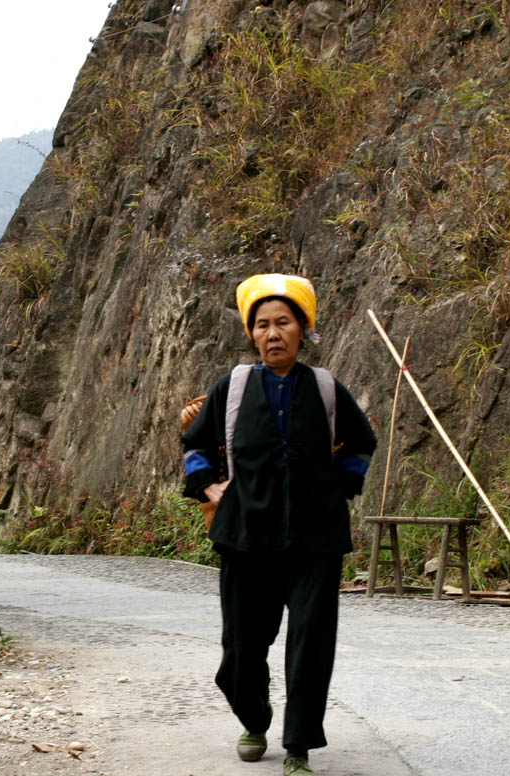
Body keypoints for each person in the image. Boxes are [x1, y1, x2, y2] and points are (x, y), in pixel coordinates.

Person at [182, 274, 376, 776]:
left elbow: (361, 444)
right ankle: (253, 719)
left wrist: (341, 487)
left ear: (302, 330)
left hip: (316, 536)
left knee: (311, 641)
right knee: (242, 646)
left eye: (283, 323)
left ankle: (298, 746)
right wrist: (208, 487)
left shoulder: (327, 387)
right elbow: (196, 445)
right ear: (252, 334)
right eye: (263, 325)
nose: (273, 334)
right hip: (247, 533)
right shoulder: (234, 385)